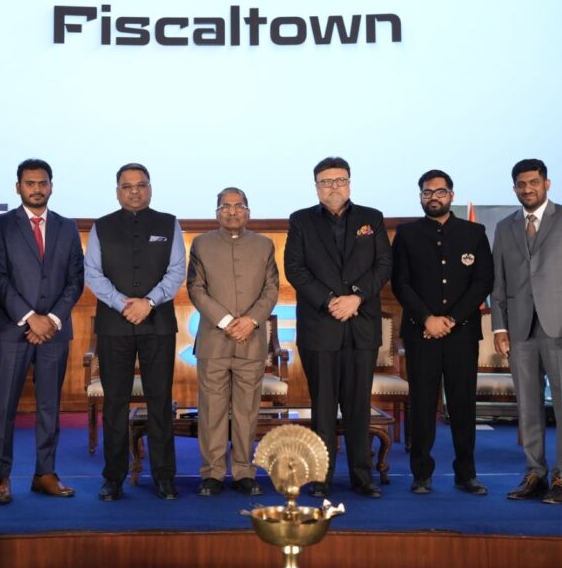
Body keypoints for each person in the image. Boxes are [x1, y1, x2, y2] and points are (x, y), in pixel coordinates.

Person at [283, 156, 392, 498]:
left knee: (359, 406)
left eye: (340, 180)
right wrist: (331, 300)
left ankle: (362, 477)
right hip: (320, 326)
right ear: (317, 186)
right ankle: (321, 477)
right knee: (323, 407)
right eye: (326, 181)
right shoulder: (301, 220)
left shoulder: (371, 218)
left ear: (349, 183)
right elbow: (295, 269)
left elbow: (383, 264)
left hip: (361, 325)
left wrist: (356, 297)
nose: (334, 187)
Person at [492, 158, 562, 504]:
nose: (528, 189)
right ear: (514, 188)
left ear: (547, 184)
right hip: (520, 331)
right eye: (521, 184)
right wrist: (500, 327)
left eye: (534, 182)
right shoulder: (504, 228)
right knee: (528, 406)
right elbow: (498, 283)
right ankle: (534, 472)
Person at [83, 163, 185, 501]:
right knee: (115, 403)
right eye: (127, 186)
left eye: (141, 185)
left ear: (150, 188)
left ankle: (164, 476)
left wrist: (149, 302)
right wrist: (123, 304)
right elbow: (92, 273)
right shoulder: (101, 226)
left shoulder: (169, 223)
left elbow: (176, 270)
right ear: (117, 192)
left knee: (159, 402)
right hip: (114, 325)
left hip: (158, 324)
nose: (134, 191)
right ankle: (113, 478)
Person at [0, 159, 84, 504]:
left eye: (43, 183)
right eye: (30, 183)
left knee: (49, 407)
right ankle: (1, 477)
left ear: (51, 186)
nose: (37, 189)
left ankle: (45, 473)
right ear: (18, 187)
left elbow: (76, 279)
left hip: (54, 332)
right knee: (4, 406)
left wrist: (52, 319)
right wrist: (30, 317)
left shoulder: (67, 227)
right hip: (12, 329)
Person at [392, 170, 494, 496]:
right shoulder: (407, 234)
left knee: (463, 406)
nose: (433, 197)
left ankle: (466, 474)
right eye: (427, 192)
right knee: (422, 405)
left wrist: (450, 319)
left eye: (440, 191)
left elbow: (483, 281)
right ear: (420, 196)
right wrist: (427, 318)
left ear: (451, 195)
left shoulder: (474, 233)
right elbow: (400, 283)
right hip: (421, 333)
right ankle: (421, 474)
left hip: (461, 333)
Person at [187, 187, 279, 497]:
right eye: (225, 206)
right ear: (217, 212)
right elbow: (196, 288)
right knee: (211, 410)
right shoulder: (202, 244)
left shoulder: (264, 245)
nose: (232, 211)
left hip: (251, 341)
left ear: (248, 211)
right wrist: (227, 321)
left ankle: (243, 471)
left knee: (246, 411)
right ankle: (212, 473)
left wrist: (251, 320)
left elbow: (271, 289)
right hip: (214, 341)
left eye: (238, 206)